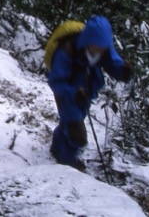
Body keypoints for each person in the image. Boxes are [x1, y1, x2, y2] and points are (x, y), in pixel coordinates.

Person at [47, 15, 133, 171]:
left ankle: (57, 146)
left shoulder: (102, 47)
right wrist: (73, 92)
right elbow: (56, 81)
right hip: (67, 94)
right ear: (87, 40)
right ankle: (66, 162)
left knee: (70, 122)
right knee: (77, 134)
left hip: (85, 92)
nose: (99, 50)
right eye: (96, 46)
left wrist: (123, 71)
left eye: (103, 47)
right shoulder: (66, 51)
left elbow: (113, 61)